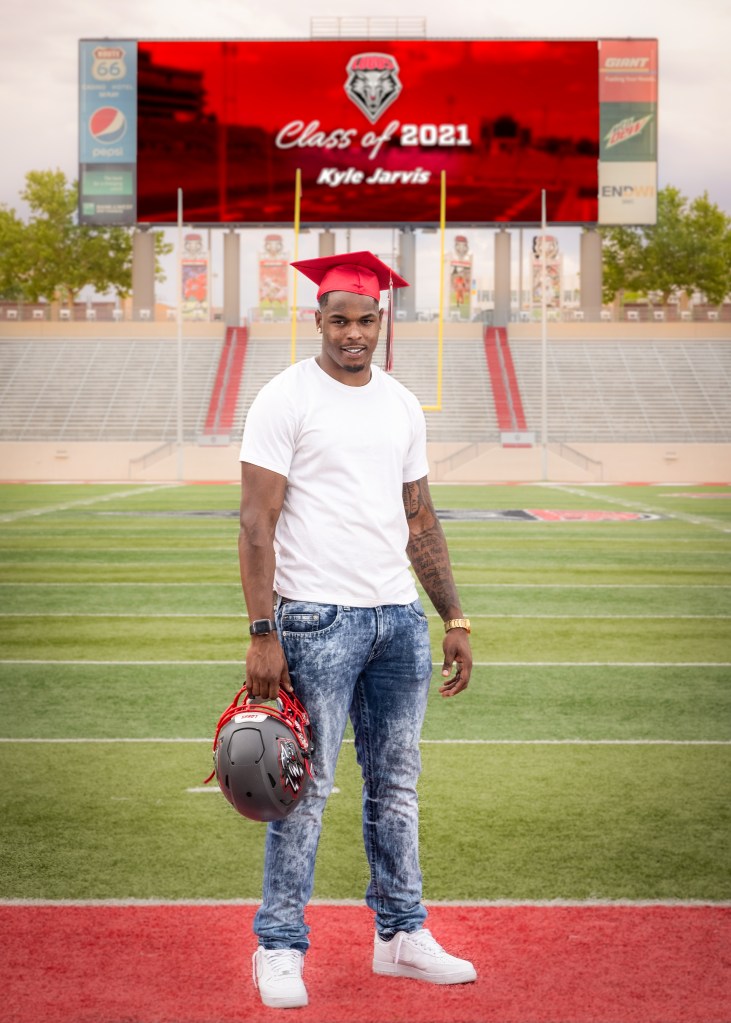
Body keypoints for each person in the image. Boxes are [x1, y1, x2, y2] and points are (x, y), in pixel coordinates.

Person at [238, 251, 476, 1010]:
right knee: (303, 791)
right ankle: (278, 944)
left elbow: (419, 517)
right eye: (338, 319)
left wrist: (452, 615)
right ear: (317, 319)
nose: (352, 333)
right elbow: (256, 521)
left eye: (365, 320)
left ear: (382, 321)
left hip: (397, 620)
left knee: (397, 786)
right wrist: (263, 631)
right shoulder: (285, 396)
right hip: (315, 618)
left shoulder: (401, 403)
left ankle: (401, 934)